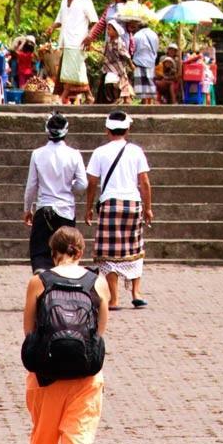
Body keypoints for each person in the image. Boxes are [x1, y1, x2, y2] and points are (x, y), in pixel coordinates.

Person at [21, 227, 107, 444]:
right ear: (80, 252)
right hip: (85, 376)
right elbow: (99, 332)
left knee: (43, 439)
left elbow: (29, 330)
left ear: (52, 250)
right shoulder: (97, 283)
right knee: (78, 441)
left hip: (46, 375)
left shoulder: (38, 281)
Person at [83, 111, 153, 310]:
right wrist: (148, 208)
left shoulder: (100, 152)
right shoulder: (136, 151)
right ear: (127, 129)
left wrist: (88, 208)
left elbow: (92, 183)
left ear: (107, 130)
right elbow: (145, 182)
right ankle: (136, 292)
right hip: (132, 203)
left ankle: (114, 298)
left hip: (110, 204)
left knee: (109, 253)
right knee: (135, 248)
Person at [24, 112, 85, 270]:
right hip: (66, 210)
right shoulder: (74, 155)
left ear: (47, 131)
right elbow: (82, 184)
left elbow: (31, 186)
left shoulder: (37, 154)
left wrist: (27, 209)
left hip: (44, 208)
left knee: (40, 254)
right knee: (66, 253)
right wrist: (68, 187)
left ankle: (41, 283)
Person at [46, 0, 102, 104]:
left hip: (79, 40)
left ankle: (63, 96)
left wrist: (90, 37)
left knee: (72, 70)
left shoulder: (85, 0)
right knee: (75, 69)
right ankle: (88, 95)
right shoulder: (64, 0)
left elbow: (95, 22)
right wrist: (52, 27)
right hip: (65, 40)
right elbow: (59, 19)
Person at [127, 16, 161, 105]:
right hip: (151, 62)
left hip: (139, 62)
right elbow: (157, 48)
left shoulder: (137, 35)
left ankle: (145, 104)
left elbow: (132, 49)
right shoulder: (154, 35)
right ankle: (150, 103)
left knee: (142, 85)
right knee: (150, 83)